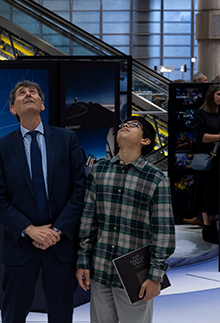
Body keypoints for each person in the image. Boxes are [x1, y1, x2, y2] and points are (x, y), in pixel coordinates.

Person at [0, 81, 87, 323]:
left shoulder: (66, 139)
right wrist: (30, 230)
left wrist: (57, 231)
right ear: (13, 109)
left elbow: (79, 190)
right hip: (20, 246)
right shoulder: (1, 147)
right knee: (13, 314)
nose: (28, 95)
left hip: (60, 245)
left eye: (33, 93)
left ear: (42, 105)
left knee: (61, 314)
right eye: (21, 93)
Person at [76, 116, 175, 323]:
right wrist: (83, 260)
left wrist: (155, 275)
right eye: (124, 124)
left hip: (135, 277)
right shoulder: (99, 171)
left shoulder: (156, 178)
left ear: (145, 141)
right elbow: (88, 220)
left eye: (134, 125)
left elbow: (163, 232)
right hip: (100, 269)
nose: (125, 126)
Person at [192, 84, 220, 243]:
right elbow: (200, 136)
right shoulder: (201, 113)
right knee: (206, 193)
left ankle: (214, 225)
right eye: (218, 94)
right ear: (211, 96)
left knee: (216, 193)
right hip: (207, 159)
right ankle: (207, 227)